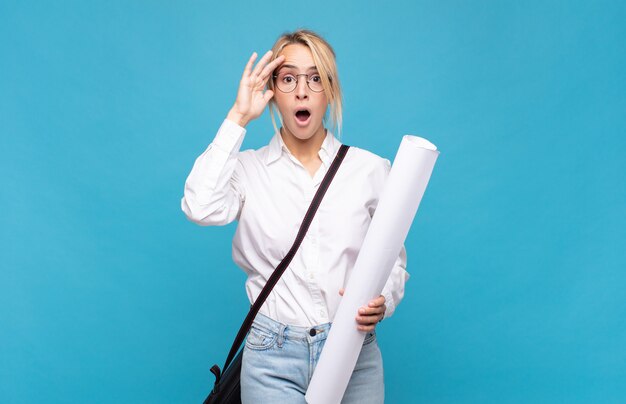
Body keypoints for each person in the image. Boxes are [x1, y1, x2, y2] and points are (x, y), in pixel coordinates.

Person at [181, 29, 409, 403]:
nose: (302, 91)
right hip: (272, 355)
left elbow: (393, 261)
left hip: (354, 351)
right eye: (288, 78)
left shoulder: (369, 169)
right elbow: (198, 205)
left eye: (315, 78)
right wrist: (238, 117)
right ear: (272, 91)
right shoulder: (247, 170)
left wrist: (382, 298)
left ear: (330, 90)